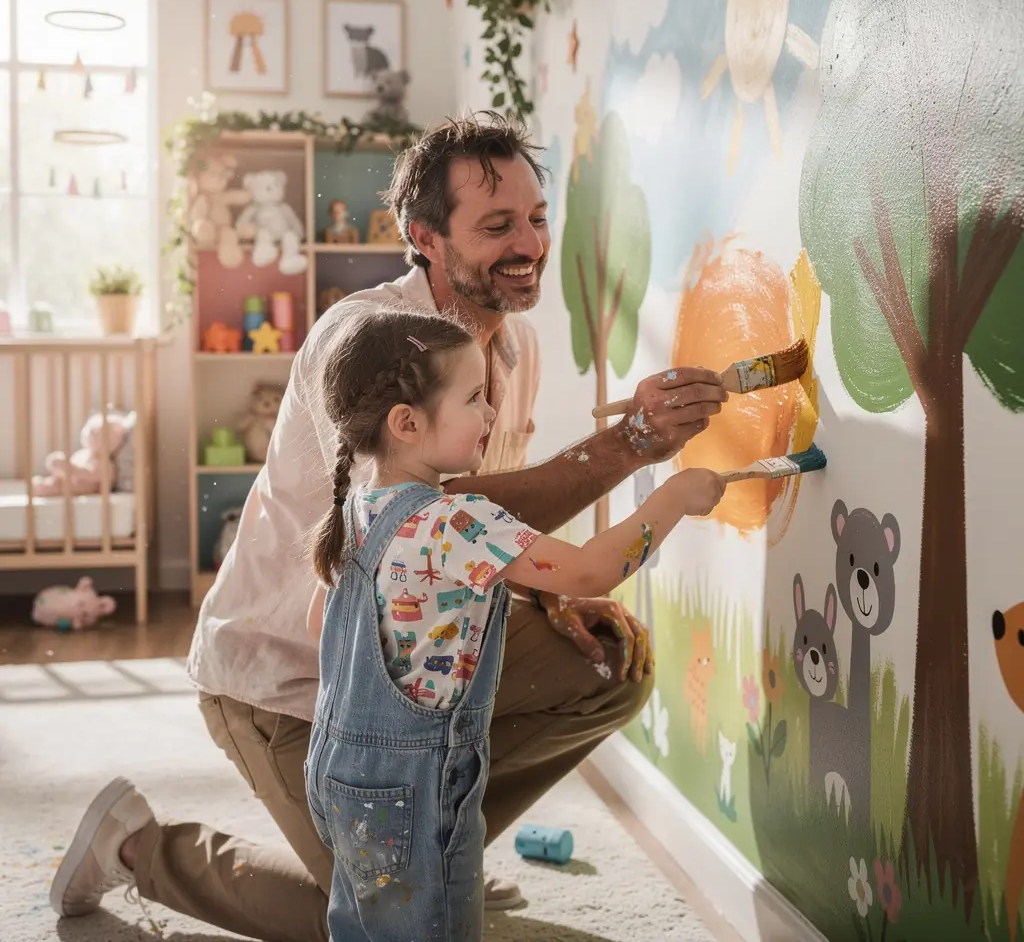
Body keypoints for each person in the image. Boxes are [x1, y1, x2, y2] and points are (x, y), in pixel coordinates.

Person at [50, 112, 728, 942]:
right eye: (496, 226)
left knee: (610, 665)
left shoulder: (509, 354)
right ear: (425, 238)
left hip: (406, 675)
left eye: (537, 218)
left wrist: (547, 602)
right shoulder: (362, 344)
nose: (529, 243)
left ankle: (446, 847)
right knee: (385, 918)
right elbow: (436, 529)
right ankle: (142, 850)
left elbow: (471, 532)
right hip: (290, 688)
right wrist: (636, 447)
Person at [304, 304, 727, 940]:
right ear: (407, 423)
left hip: (340, 773)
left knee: (363, 926)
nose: (492, 414)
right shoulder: (454, 520)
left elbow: (324, 624)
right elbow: (588, 573)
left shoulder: (361, 509)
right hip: (414, 791)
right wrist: (674, 498)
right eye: (475, 398)